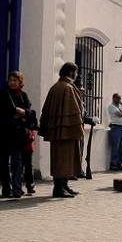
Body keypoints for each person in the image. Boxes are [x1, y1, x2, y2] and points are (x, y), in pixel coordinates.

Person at [39, 62, 84, 198]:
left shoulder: (55, 87)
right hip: (67, 129)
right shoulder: (68, 88)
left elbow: (46, 110)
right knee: (63, 160)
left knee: (63, 159)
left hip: (57, 129)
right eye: (75, 72)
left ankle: (64, 186)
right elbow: (76, 110)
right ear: (71, 72)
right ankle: (59, 188)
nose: (76, 75)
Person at [0, 71, 37, 198]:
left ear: (20, 82)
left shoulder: (23, 95)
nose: (12, 83)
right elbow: (0, 113)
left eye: (15, 80)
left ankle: (17, 189)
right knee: (3, 164)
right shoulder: (3, 94)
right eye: (10, 80)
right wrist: (14, 115)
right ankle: (6, 188)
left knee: (17, 163)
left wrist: (23, 112)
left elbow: (30, 113)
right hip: (3, 134)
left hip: (18, 136)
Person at [107, 93, 122, 170]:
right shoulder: (111, 107)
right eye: (118, 98)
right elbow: (120, 115)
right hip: (116, 127)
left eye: (120, 98)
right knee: (116, 146)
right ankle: (113, 164)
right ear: (113, 98)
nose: (119, 99)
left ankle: (119, 163)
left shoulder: (119, 107)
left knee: (121, 146)